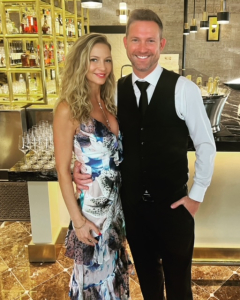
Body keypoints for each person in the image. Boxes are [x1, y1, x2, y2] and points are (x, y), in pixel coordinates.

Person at [73, 9, 216, 300]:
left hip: (174, 209)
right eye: (136, 40)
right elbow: (101, 139)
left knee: (179, 288)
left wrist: (196, 195)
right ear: (125, 44)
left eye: (150, 41)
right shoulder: (113, 92)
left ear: (161, 45)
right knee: (149, 285)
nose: (142, 48)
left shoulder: (184, 89)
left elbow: (205, 144)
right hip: (133, 212)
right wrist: (81, 165)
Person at [53, 33, 131, 299]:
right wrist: (78, 221)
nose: (102, 67)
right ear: (80, 63)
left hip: (114, 210)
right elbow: (62, 170)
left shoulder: (107, 102)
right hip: (92, 213)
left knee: (112, 278)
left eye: (107, 60)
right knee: (94, 284)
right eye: (94, 59)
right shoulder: (68, 109)